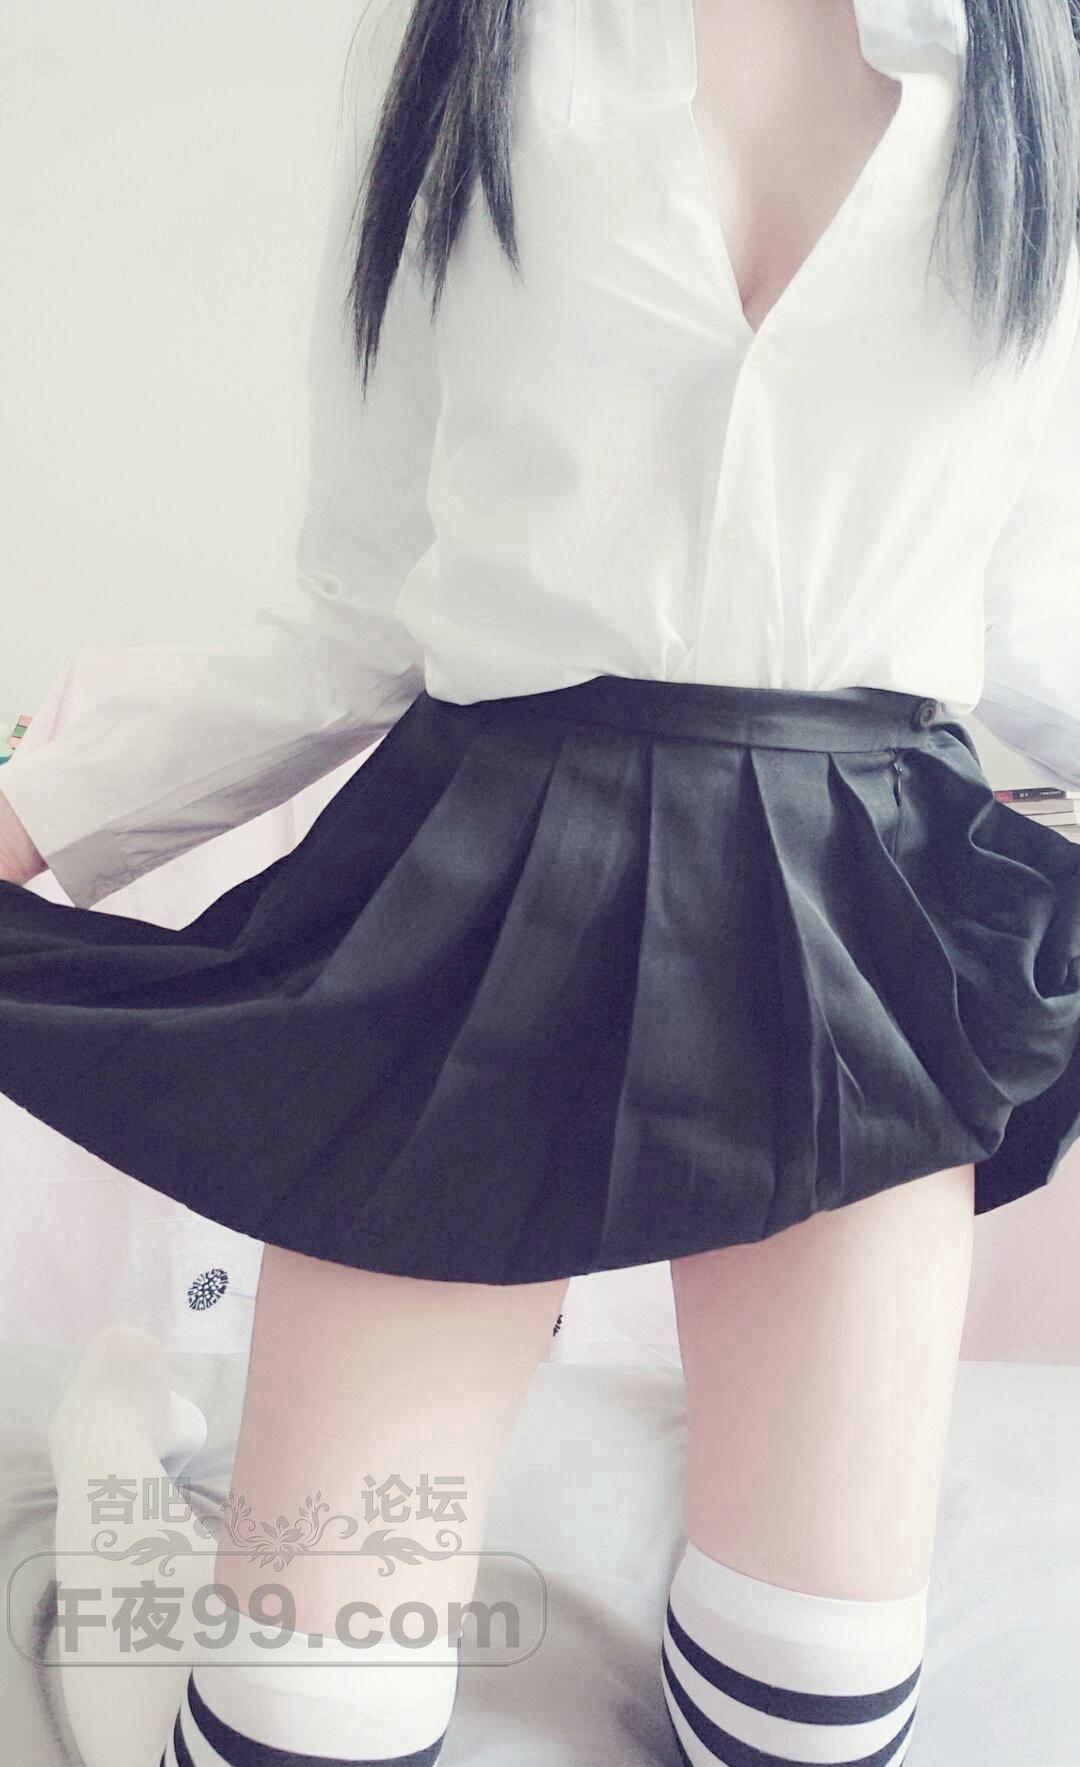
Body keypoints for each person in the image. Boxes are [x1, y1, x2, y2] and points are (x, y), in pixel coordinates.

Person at [2, 0, 1079, 1762]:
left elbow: (1037, 621)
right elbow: (358, 609)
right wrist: (35, 813)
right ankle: (119, 1459)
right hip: (485, 898)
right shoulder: (474, 44)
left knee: (811, 1723)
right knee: (301, 1727)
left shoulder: (1046, 77)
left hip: (859, 932)